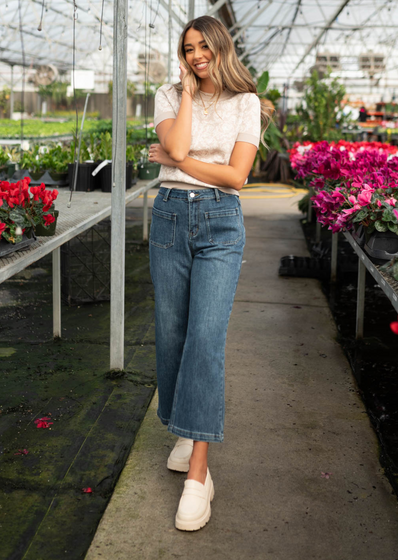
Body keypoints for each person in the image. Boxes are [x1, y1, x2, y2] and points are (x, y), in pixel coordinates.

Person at [148, 15, 273, 532]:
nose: (196, 54)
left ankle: (199, 472)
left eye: (203, 46)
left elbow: (236, 176)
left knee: (205, 338)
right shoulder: (165, 94)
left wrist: (182, 160)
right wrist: (183, 93)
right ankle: (184, 428)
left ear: (220, 47)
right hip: (170, 218)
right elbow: (175, 147)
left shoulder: (247, 103)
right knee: (172, 333)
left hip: (221, 222)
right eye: (188, 48)